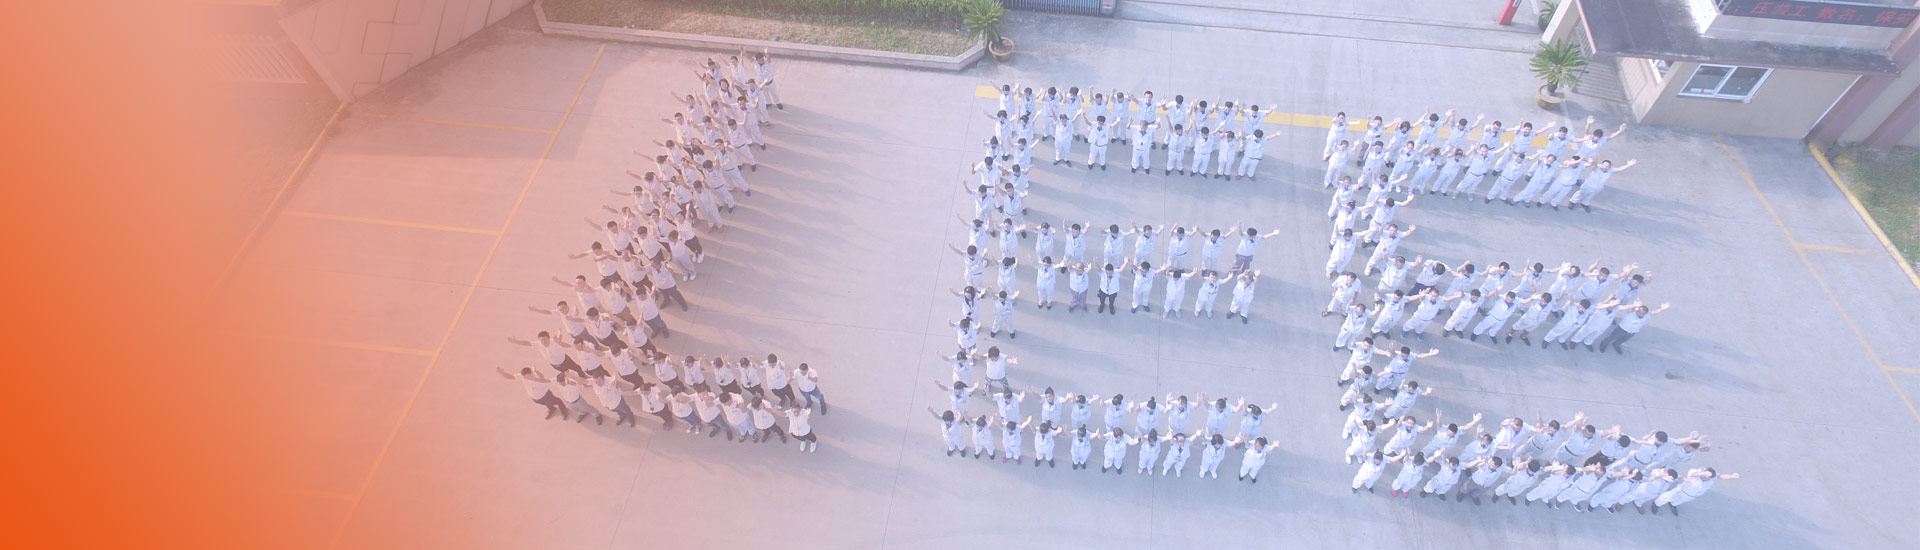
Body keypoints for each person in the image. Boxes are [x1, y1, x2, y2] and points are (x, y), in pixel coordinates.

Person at [497, 366, 568, 420]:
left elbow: (542, 377)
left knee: (557, 401)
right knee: (545, 403)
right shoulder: (522, 376)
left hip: (545, 395)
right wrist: (502, 373)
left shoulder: (536, 375)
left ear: (530, 373)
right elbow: (511, 377)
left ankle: (563, 410)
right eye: (524, 376)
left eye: (526, 376)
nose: (525, 378)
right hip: (535, 398)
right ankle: (552, 409)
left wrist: (537, 372)